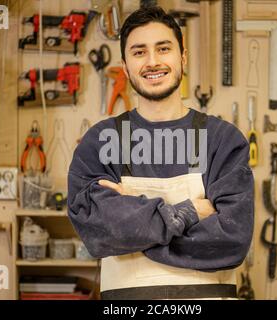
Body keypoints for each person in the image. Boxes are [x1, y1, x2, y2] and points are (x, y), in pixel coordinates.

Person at [67, 6, 254, 300]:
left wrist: (132, 231)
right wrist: (189, 212)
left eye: (163, 49)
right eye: (139, 52)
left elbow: (232, 239)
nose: (153, 62)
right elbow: (98, 232)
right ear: (126, 67)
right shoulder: (101, 142)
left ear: (183, 57)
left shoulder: (222, 140)